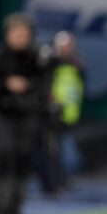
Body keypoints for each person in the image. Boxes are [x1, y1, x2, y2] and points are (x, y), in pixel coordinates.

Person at [0, 13, 45, 214]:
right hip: (3, 115)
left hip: (27, 116)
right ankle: (1, 204)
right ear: (8, 34)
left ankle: (16, 205)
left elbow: (44, 85)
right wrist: (7, 84)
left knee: (23, 156)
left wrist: (30, 87)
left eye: (24, 34)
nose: (21, 38)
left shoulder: (35, 57)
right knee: (5, 155)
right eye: (17, 33)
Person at [39, 31, 85, 194]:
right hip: (52, 115)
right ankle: (52, 184)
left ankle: (62, 181)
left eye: (70, 46)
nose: (67, 49)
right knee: (52, 151)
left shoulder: (76, 65)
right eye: (64, 46)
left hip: (69, 115)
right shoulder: (51, 64)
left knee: (65, 152)